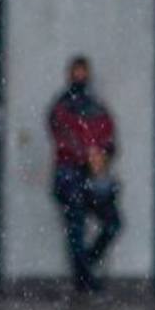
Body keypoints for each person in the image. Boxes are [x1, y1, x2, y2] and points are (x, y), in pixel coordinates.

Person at [48, 56, 121, 293]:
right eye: (77, 72)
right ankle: (84, 276)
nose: (80, 77)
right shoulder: (62, 107)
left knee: (110, 224)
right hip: (71, 176)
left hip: (87, 176)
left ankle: (84, 269)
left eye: (83, 72)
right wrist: (88, 154)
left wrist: (101, 155)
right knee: (77, 227)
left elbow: (109, 139)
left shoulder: (94, 107)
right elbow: (64, 137)